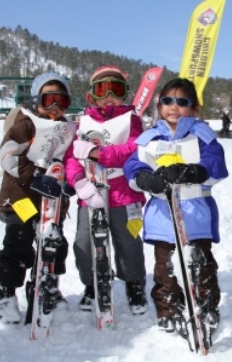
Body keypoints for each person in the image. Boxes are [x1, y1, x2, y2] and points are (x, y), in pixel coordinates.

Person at [123, 78, 228, 338]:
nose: (174, 107)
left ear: (194, 108)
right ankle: (168, 308)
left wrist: (195, 171)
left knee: (201, 265)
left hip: (195, 215)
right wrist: (145, 179)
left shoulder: (202, 136)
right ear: (159, 106)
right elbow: (133, 166)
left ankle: (207, 305)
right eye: (168, 101)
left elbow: (216, 165)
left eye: (182, 102)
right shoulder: (150, 138)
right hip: (163, 216)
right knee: (165, 269)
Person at [0, 72, 77, 324]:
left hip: (51, 201)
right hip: (21, 197)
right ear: (36, 99)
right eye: (48, 99)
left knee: (55, 243)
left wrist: (69, 182)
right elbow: (8, 155)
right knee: (20, 238)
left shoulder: (67, 128)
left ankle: (48, 285)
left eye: (61, 101)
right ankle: (4, 291)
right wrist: (35, 176)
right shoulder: (25, 123)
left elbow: (71, 160)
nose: (54, 107)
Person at [64, 65, 148, 315]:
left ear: (125, 93)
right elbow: (70, 156)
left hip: (124, 193)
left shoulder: (131, 120)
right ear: (92, 94)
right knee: (85, 242)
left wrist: (99, 153)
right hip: (90, 191)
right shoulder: (83, 122)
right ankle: (92, 283)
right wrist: (78, 181)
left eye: (116, 88)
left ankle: (134, 282)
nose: (109, 94)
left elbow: (133, 148)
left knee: (129, 242)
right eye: (102, 88)